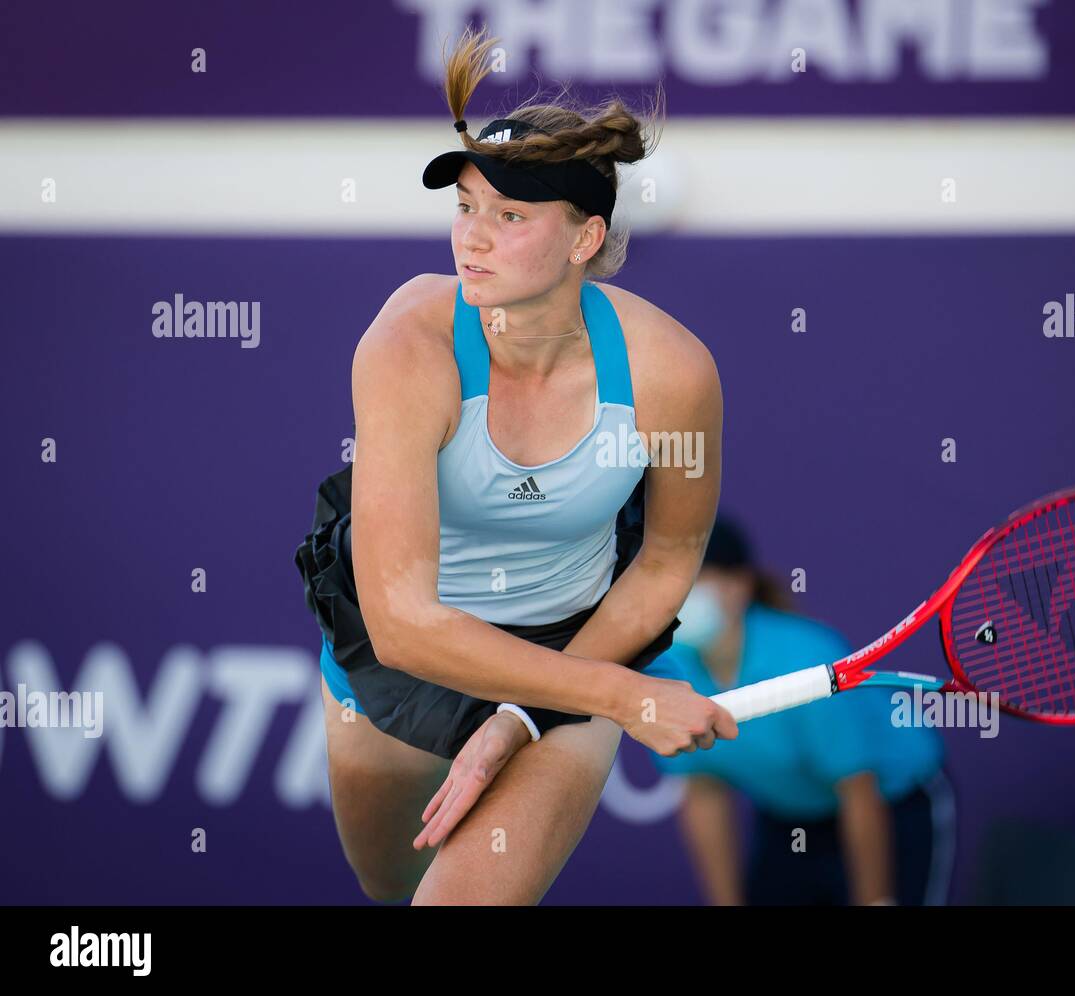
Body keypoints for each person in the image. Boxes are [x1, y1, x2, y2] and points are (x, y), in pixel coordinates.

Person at [293, 24, 736, 906]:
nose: (472, 238)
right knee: (388, 887)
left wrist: (538, 710)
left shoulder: (671, 372)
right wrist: (619, 696)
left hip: (572, 641)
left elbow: (666, 557)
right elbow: (405, 623)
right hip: (398, 665)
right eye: (465, 206)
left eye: (509, 215)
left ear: (584, 240)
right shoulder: (407, 345)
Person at [642, 515, 955, 906]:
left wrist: (875, 900)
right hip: (791, 818)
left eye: (699, 576)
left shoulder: (805, 654)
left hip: (893, 806)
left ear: (740, 587)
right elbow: (704, 793)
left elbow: (859, 791)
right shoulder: (669, 667)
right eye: (673, 576)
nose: (684, 591)